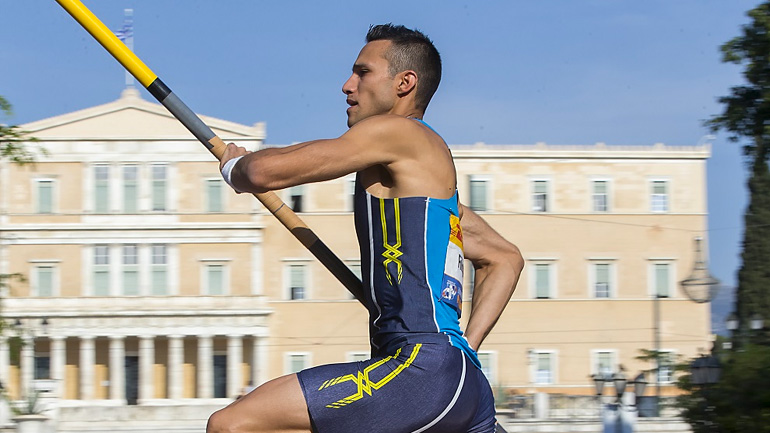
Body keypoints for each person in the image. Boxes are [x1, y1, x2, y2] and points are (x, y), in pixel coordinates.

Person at [207, 24, 523, 433]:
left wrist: (237, 166)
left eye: (363, 73)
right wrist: (467, 350)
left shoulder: (397, 130)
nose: (347, 85)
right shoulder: (431, 195)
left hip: (419, 371)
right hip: (460, 383)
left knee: (233, 423)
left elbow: (267, 170)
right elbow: (504, 258)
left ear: (404, 83)